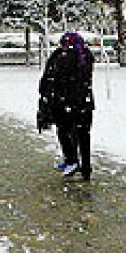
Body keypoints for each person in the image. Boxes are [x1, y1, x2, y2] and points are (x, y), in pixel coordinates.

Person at [37, 32, 95, 181]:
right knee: (83, 136)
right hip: (84, 103)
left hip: (67, 103)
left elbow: (56, 79)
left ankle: (72, 160)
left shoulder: (65, 58)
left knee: (65, 132)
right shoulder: (85, 56)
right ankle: (85, 167)